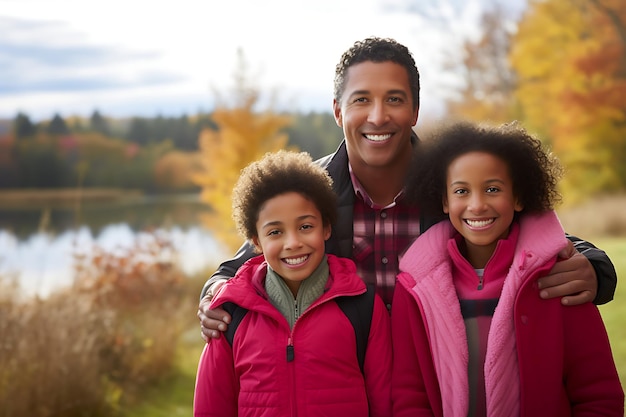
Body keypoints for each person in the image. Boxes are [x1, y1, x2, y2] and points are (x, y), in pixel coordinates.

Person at [198, 37, 617, 340]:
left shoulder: (453, 185)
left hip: (438, 391)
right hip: (347, 391)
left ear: (415, 110)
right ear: (338, 110)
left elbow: (537, 233)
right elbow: (242, 264)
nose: (378, 116)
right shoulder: (310, 192)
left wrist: (595, 267)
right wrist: (213, 291)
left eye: (394, 99)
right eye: (362, 100)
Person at [391, 121, 624, 416]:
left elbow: (597, 392)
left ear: (517, 197)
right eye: (461, 191)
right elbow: (409, 394)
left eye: (492, 189)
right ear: (444, 201)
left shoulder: (560, 276)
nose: (477, 205)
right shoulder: (415, 287)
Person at [193, 150, 392, 416]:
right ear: (256, 241)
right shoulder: (229, 315)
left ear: (326, 228)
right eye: (275, 232)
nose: (293, 243)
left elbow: (385, 404)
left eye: (305, 227)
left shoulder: (363, 309)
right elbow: (211, 408)